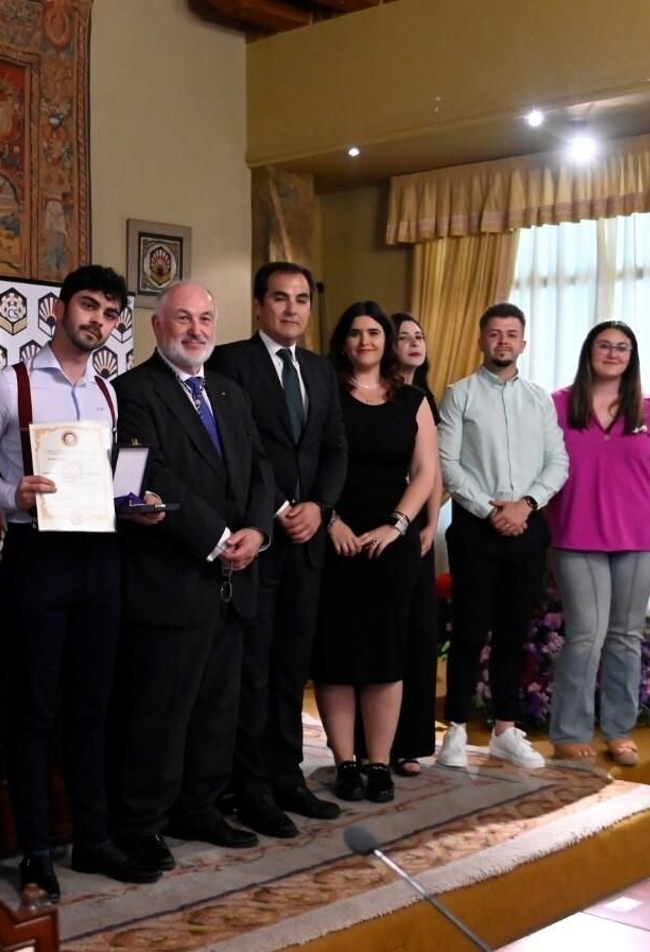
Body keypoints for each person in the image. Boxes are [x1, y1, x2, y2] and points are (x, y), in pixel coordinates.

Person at [0, 265, 163, 900]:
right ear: (57, 309)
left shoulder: (109, 394)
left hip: (101, 558)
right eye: (88, 307)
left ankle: (93, 838)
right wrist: (7, 492)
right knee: (32, 707)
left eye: (110, 314)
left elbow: (106, 480)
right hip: (37, 557)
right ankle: (33, 853)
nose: (97, 322)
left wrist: (136, 499)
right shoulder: (9, 386)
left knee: (92, 706)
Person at [111, 281, 274, 872]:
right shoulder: (133, 392)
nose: (197, 329)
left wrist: (258, 531)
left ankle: (200, 807)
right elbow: (140, 477)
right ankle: (141, 823)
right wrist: (215, 538)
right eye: (184, 318)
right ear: (158, 325)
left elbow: (261, 470)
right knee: (160, 710)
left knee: (216, 706)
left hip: (236, 575)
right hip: (171, 578)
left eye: (206, 318)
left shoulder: (230, 393)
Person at [207, 262, 348, 834]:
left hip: (309, 541)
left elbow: (335, 447)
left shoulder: (319, 370)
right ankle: (250, 788)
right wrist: (273, 512)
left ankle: (288, 775)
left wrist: (320, 507)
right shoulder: (230, 363)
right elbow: (230, 452)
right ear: (260, 305)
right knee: (255, 669)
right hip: (258, 540)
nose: (292, 309)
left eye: (301, 300)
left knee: (293, 667)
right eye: (280, 299)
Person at [313, 302, 437, 803]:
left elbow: (426, 471)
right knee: (336, 655)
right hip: (333, 537)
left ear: (386, 341)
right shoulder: (325, 393)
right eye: (355, 333)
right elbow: (309, 465)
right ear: (342, 341)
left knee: (386, 655)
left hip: (392, 541)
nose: (365, 341)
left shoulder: (412, 400)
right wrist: (330, 520)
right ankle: (345, 761)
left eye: (374, 332)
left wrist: (398, 524)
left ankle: (379, 763)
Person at [436, 303, 568, 770]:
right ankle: (453, 730)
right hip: (476, 529)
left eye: (512, 334)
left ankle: (505, 731)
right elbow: (447, 462)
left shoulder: (539, 399)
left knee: (514, 632)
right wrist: (487, 509)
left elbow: (558, 461)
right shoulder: (461, 395)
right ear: (481, 340)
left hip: (527, 527)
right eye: (495, 333)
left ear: (523, 343)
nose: (504, 342)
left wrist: (526, 505)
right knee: (470, 631)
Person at [546, 322, 650, 767]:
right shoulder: (558, 405)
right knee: (585, 635)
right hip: (576, 535)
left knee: (624, 637)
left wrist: (628, 504)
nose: (613, 353)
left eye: (622, 347)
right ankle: (569, 732)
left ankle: (620, 731)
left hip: (640, 539)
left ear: (631, 357)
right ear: (589, 351)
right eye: (605, 345)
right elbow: (544, 466)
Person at [387, 312, 443, 775]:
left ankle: (411, 742)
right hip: (384, 525)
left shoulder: (426, 399)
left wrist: (431, 523)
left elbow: (433, 472)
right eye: (403, 336)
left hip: (420, 531)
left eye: (419, 336)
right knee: (388, 634)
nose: (413, 343)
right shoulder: (378, 395)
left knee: (420, 636)